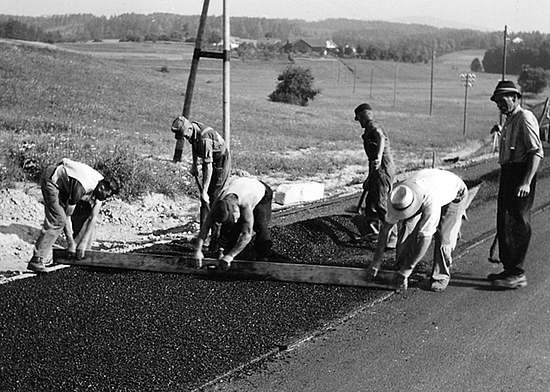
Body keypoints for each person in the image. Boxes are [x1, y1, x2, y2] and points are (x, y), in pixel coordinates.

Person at [366, 168, 469, 292]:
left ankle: (440, 276)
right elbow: (385, 230)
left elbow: (425, 238)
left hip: (456, 193)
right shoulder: (399, 195)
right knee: (407, 226)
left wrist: (409, 268)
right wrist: (376, 261)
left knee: (442, 234)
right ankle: (400, 267)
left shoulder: (431, 202)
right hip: (429, 186)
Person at [487, 80, 543, 289]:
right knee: (505, 221)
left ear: (516, 98)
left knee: (518, 221)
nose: (500, 105)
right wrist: (500, 130)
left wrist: (526, 182)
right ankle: (509, 269)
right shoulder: (511, 120)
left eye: (504, 100)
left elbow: (536, 152)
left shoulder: (525, 117)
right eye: (497, 102)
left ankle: (517, 273)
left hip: (521, 173)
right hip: (509, 173)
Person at [28, 158, 120, 273]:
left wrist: (84, 242)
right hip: (51, 181)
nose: (107, 198)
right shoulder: (81, 187)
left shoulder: (101, 185)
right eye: (108, 195)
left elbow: (93, 217)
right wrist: (70, 242)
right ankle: (36, 259)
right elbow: (67, 216)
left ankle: (83, 251)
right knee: (58, 219)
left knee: (85, 210)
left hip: (68, 183)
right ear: (102, 188)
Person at [194, 177, 273, 270]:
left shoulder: (246, 203)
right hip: (242, 185)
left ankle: (263, 256)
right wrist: (197, 250)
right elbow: (205, 228)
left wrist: (230, 256)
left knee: (260, 225)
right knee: (231, 226)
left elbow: (247, 235)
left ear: (235, 209)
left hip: (262, 193)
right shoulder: (219, 203)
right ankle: (225, 250)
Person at [171, 116, 231, 229]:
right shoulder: (193, 129)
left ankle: (216, 229)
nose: (185, 138)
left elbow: (209, 167)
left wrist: (204, 191)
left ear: (189, 129)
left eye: (184, 136)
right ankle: (204, 229)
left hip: (220, 160)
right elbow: (194, 145)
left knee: (213, 194)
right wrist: (194, 165)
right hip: (208, 158)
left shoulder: (205, 139)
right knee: (205, 196)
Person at [353, 103, 396, 246]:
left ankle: (392, 236)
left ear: (361, 117)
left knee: (380, 203)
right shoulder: (371, 127)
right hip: (377, 170)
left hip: (383, 168)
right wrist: (369, 178)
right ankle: (374, 233)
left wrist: (378, 156)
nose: (359, 122)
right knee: (371, 202)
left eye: (358, 119)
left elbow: (380, 137)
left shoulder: (372, 126)